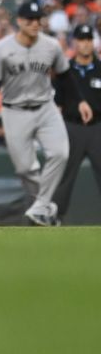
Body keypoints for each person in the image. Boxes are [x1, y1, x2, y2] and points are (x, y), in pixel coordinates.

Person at [0, 0, 92, 226]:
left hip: (45, 107)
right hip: (14, 110)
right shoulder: (2, 49)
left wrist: (80, 100)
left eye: (37, 19)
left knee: (60, 153)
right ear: (19, 21)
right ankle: (48, 207)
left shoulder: (51, 45)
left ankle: (39, 207)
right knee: (24, 169)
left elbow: (65, 76)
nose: (34, 23)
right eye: (29, 19)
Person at [52, 24, 101, 220]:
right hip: (71, 127)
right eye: (81, 40)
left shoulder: (100, 69)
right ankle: (55, 215)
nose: (85, 44)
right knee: (64, 175)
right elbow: (57, 104)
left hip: (98, 127)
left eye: (88, 40)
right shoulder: (65, 71)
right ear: (75, 42)